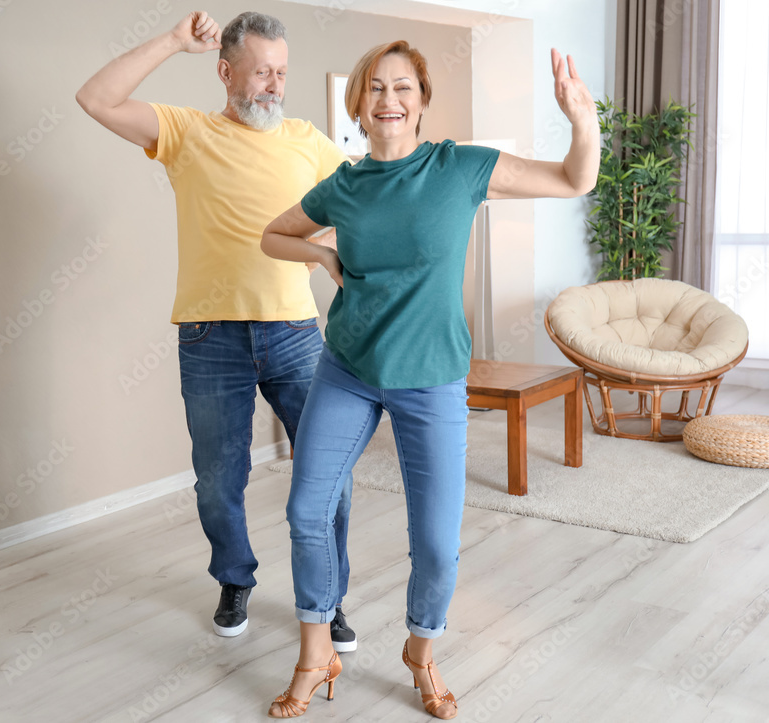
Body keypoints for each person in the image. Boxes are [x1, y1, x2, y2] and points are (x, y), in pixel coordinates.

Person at [260, 40, 600, 718]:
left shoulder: (459, 167)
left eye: (403, 88)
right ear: (359, 103)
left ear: (421, 101)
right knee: (305, 511)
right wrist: (321, 254)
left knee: (438, 543)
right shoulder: (344, 185)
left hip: (432, 378)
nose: (389, 99)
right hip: (349, 368)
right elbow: (272, 235)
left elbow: (572, 180)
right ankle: (314, 650)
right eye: (376, 89)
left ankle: (421, 648)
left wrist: (580, 122)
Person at [75, 11, 358, 649]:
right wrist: (175, 41)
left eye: (282, 73)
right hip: (211, 339)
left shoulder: (309, 141)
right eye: (261, 72)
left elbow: (361, 203)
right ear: (226, 71)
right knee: (217, 479)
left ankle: (328, 597)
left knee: (328, 471)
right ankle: (235, 579)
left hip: (295, 334)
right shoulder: (186, 131)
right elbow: (95, 98)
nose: (274, 86)